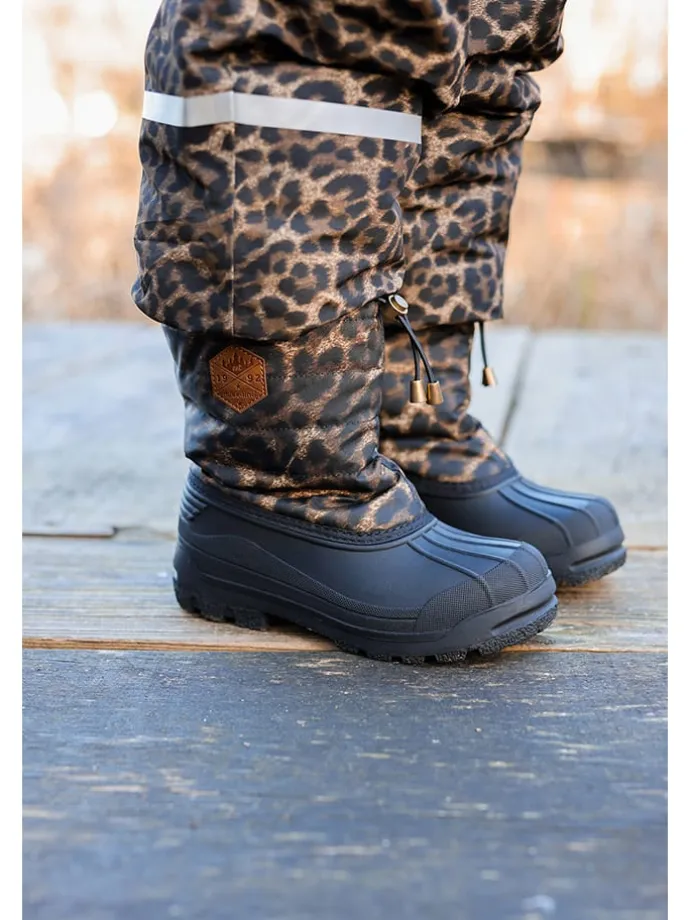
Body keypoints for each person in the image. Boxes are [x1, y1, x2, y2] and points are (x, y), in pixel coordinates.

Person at [132, 0, 624, 663]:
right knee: (320, 31)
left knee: (478, 41)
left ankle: (404, 432)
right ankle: (281, 488)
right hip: (271, 474)